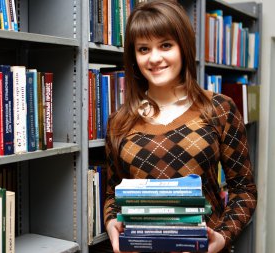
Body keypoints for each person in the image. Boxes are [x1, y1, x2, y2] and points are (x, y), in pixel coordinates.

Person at [103, 0, 258, 253]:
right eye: (143, 49)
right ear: (134, 56)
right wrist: (111, 223)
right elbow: (113, 194)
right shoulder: (119, 121)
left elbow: (244, 190)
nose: (154, 58)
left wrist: (222, 237)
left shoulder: (220, 109)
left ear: (183, 47)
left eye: (165, 45)